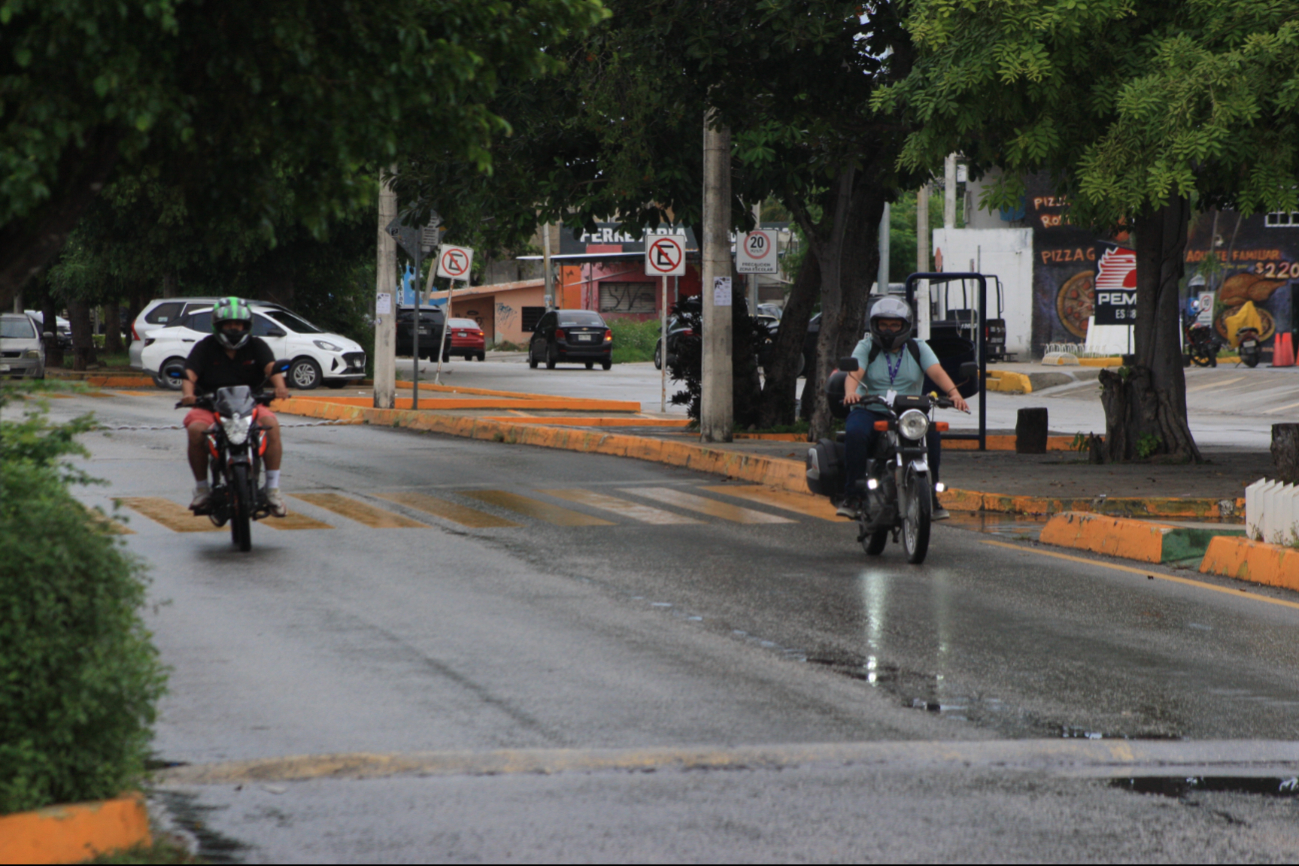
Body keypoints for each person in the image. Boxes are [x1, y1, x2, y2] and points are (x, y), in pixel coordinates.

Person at [840, 296, 970, 521]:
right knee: (855, 433)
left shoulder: (918, 347)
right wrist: (851, 392)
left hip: (908, 411)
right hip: (870, 408)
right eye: (883, 324)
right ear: (875, 325)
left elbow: (936, 371)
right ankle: (854, 496)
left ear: (905, 326)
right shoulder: (866, 346)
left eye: (894, 325)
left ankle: (931, 494)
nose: (888, 329)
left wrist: (954, 394)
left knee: (932, 435)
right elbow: (855, 373)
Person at [181, 297, 290, 516]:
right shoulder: (205, 347)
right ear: (218, 326)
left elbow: (271, 367)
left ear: (246, 326)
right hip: (211, 406)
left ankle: (272, 489)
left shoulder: (257, 345)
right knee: (195, 430)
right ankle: (202, 489)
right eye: (228, 324)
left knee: (272, 425)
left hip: (250, 406)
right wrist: (188, 394)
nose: (233, 328)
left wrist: (280, 387)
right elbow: (189, 374)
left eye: (237, 324)